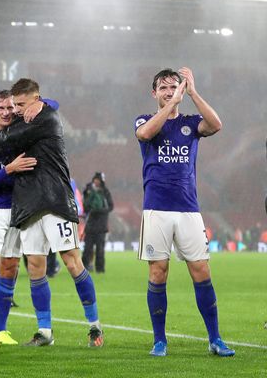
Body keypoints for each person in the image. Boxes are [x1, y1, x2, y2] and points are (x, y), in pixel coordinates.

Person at [0, 78, 103, 348]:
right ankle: (44, 331)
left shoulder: (47, 116)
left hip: (54, 200)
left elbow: (9, 138)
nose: (17, 110)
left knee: (72, 262)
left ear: (36, 99)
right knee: (35, 267)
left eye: (22, 104)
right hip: (27, 204)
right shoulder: (22, 120)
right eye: (14, 105)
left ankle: (94, 326)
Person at [134, 67, 233, 357]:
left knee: (201, 271)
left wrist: (192, 93)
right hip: (156, 209)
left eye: (173, 87)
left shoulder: (191, 123)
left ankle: (215, 338)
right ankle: (159, 340)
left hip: (189, 209)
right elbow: (146, 133)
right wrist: (173, 103)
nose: (168, 92)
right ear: (154, 93)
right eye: (163, 88)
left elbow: (216, 124)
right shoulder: (145, 120)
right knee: (158, 272)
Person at [0, 88, 55, 348]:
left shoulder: (21, 129)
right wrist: (10, 169)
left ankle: (1, 329)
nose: (7, 112)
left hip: (19, 206)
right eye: (1, 108)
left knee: (10, 267)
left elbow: (54, 104)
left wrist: (37, 103)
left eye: (11, 107)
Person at [82, 172, 113, 273]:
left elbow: (111, 206)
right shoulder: (88, 190)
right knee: (87, 249)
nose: (96, 181)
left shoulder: (105, 192)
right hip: (90, 225)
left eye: (98, 180)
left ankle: (100, 269)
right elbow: (85, 206)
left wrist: (99, 210)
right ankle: (84, 269)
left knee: (100, 250)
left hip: (101, 226)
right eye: (95, 179)